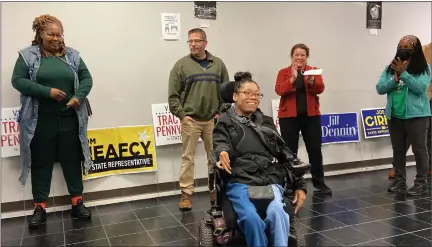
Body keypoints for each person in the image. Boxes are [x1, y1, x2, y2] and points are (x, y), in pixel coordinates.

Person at [11, 14, 93, 228]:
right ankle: (40, 207)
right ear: (40, 34)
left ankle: (77, 202)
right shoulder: (27, 56)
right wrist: (46, 92)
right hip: (40, 121)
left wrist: (78, 96)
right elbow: (18, 80)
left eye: (59, 34)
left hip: (70, 119)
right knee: (41, 162)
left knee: (72, 160)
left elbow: (86, 78)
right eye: (51, 34)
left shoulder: (72, 55)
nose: (56, 39)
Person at [213, 75, 307, 247]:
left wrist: (300, 184)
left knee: (278, 212)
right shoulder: (225, 122)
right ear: (235, 96)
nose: (253, 97)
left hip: (269, 179)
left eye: (257, 94)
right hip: (240, 181)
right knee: (251, 218)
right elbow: (220, 142)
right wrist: (222, 152)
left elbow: (285, 154)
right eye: (247, 93)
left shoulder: (266, 123)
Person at [168, 28, 230, 210]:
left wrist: (221, 113)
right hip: (191, 121)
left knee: (216, 157)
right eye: (190, 41)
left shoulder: (218, 64)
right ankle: (186, 194)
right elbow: (173, 95)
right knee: (188, 158)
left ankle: (215, 190)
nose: (193, 44)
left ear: (205, 43)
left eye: (196, 41)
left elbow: (227, 93)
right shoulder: (181, 65)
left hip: (213, 121)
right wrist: (182, 115)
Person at [376, 35, 431, 196]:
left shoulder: (425, 68)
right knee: (398, 150)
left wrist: (404, 74)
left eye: (408, 47)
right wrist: (394, 79)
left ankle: (421, 183)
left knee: (420, 150)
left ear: (416, 49)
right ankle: (400, 182)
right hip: (395, 116)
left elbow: (420, 88)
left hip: (417, 116)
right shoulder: (390, 68)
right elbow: (380, 88)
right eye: (401, 46)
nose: (403, 49)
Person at [275, 43, 332, 194]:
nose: (299, 57)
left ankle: (319, 183)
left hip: (311, 117)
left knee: (314, 150)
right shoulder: (284, 72)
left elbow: (320, 89)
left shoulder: (313, 71)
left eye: (303, 55)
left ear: (307, 57)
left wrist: (312, 81)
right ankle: (290, 184)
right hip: (289, 118)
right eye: (297, 55)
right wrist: (292, 79)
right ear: (292, 56)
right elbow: (279, 90)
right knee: (289, 152)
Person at [388, 41, 432, 179]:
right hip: (422, 98)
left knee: (428, 137)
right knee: (406, 139)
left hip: (422, 98)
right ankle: (396, 167)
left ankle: (427, 170)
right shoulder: (423, 49)